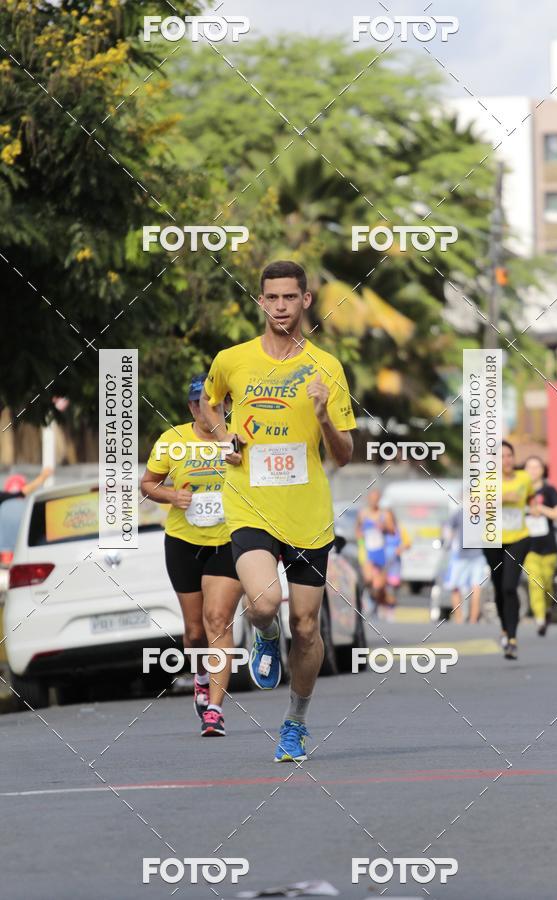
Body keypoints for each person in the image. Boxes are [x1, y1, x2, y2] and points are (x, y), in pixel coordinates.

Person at [201, 259, 355, 762]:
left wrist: (321, 416)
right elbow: (207, 405)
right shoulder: (232, 359)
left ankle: (295, 722)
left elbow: (345, 453)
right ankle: (265, 634)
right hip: (249, 502)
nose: (281, 306)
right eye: (273, 298)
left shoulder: (327, 367)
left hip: (308, 512)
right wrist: (226, 438)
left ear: (306, 300)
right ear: (261, 301)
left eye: (291, 297)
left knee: (308, 629)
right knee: (265, 602)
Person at [141, 375, 243, 736]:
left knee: (218, 620)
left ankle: (215, 708)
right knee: (195, 629)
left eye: (215, 403)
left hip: (229, 540)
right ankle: (201, 674)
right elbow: (147, 484)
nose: (208, 410)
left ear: (226, 406)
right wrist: (172, 497)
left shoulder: (238, 438)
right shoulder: (173, 441)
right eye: (201, 404)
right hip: (183, 541)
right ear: (191, 407)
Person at [483, 441, 534, 660]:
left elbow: (532, 498)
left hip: (519, 538)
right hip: (493, 540)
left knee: (509, 587)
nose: (506, 460)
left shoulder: (524, 479)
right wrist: (501, 499)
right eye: (501, 456)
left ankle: (512, 639)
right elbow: (474, 505)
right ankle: (504, 628)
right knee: (498, 586)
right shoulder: (486, 481)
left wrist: (537, 508)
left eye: (509, 456)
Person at [523, 456, 557, 636]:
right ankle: (539, 618)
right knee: (535, 582)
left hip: (549, 546)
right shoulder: (520, 490)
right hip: (528, 545)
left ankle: (547, 609)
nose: (532, 470)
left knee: (546, 583)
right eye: (529, 467)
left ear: (542, 470)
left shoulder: (549, 490)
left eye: (536, 467)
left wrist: (541, 510)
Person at [356, 490, 403, 611]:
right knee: (368, 578)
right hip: (367, 551)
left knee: (379, 585)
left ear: (379, 500)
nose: (374, 501)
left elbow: (393, 531)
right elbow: (357, 530)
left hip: (381, 551)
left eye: (376, 499)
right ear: (368, 499)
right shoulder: (363, 514)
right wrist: (360, 537)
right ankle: (366, 598)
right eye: (372, 498)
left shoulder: (385, 514)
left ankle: (381, 602)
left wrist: (384, 527)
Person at [443, 506, 487, 624]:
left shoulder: (461, 512)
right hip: (478, 554)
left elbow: (449, 530)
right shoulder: (482, 511)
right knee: (476, 587)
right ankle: (472, 620)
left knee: (456, 587)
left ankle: (460, 619)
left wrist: (447, 545)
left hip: (463, 556)